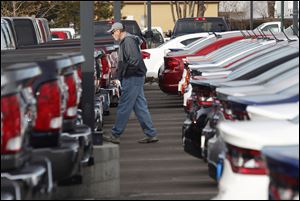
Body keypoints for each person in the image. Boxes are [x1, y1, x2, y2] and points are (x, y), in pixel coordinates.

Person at [104, 22, 158, 144]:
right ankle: (151, 133)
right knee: (140, 107)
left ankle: (115, 134)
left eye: (113, 32)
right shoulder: (129, 40)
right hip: (136, 77)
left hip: (132, 77)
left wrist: (124, 73)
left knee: (124, 106)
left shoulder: (127, 41)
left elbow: (134, 60)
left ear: (118, 31)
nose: (112, 35)